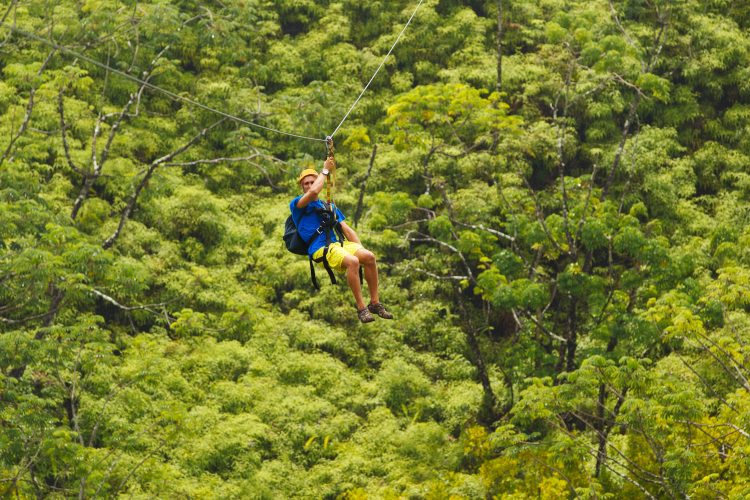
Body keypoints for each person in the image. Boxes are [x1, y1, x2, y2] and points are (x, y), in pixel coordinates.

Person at [290, 157, 393, 323]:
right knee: (352, 261)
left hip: (337, 244)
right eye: (306, 183)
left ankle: (375, 303)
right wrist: (325, 170)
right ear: (301, 187)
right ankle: (361, 308)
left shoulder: (329, 206)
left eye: (312, 182)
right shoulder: (297, 205)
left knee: (369, 257)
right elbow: (313, 193)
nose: (309, 185)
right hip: (320, 248)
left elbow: (346, 229)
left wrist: (361, 250)